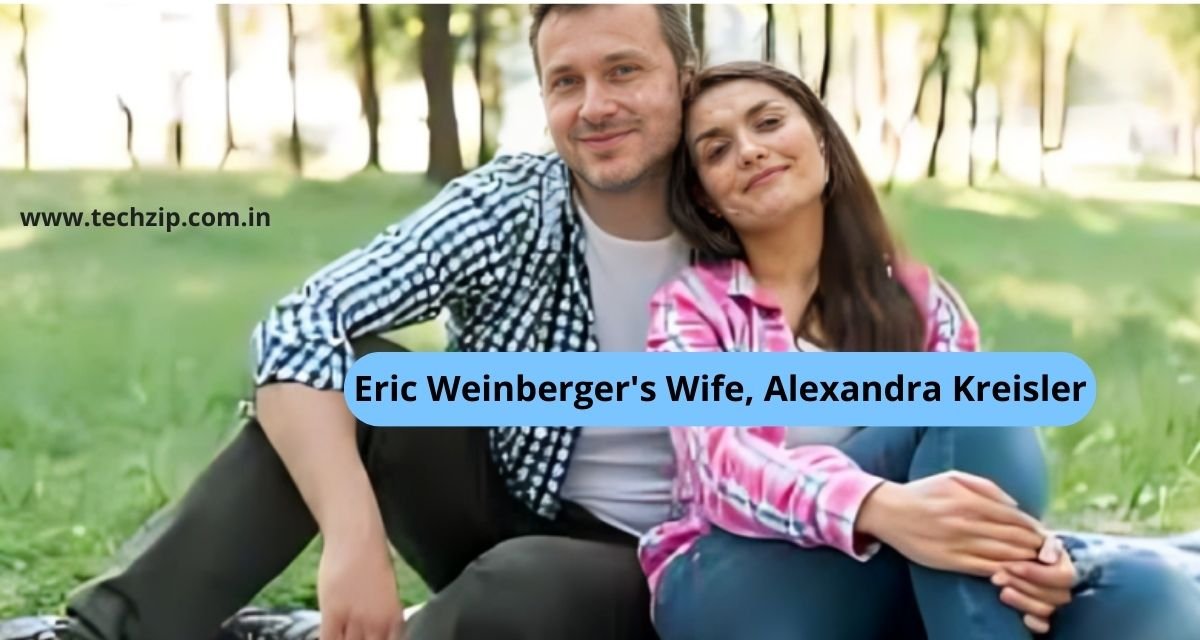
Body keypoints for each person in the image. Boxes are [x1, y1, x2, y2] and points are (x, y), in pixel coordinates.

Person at [0, 6, 1195, 640]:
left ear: (683, 75)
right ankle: (105, 634)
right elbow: (304, 323)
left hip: (680, 556)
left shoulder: (748, 226)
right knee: (356, 375)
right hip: (518, 497)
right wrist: (354, 532)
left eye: (624, 71)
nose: (595, 105)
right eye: (565, 81)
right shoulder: (514, 206)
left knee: (524, 588)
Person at [638, 60, 1200, 640]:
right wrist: (878, 507)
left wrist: (1031, 556)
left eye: (769, 122)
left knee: (1150, 593)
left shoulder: (920, 301)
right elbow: (722, 466)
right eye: (717, 150)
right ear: (706, 200)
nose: (750, 150)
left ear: (824, 144)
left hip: (905, 580)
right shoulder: (693, 308)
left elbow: (979, 462)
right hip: (743, 584)